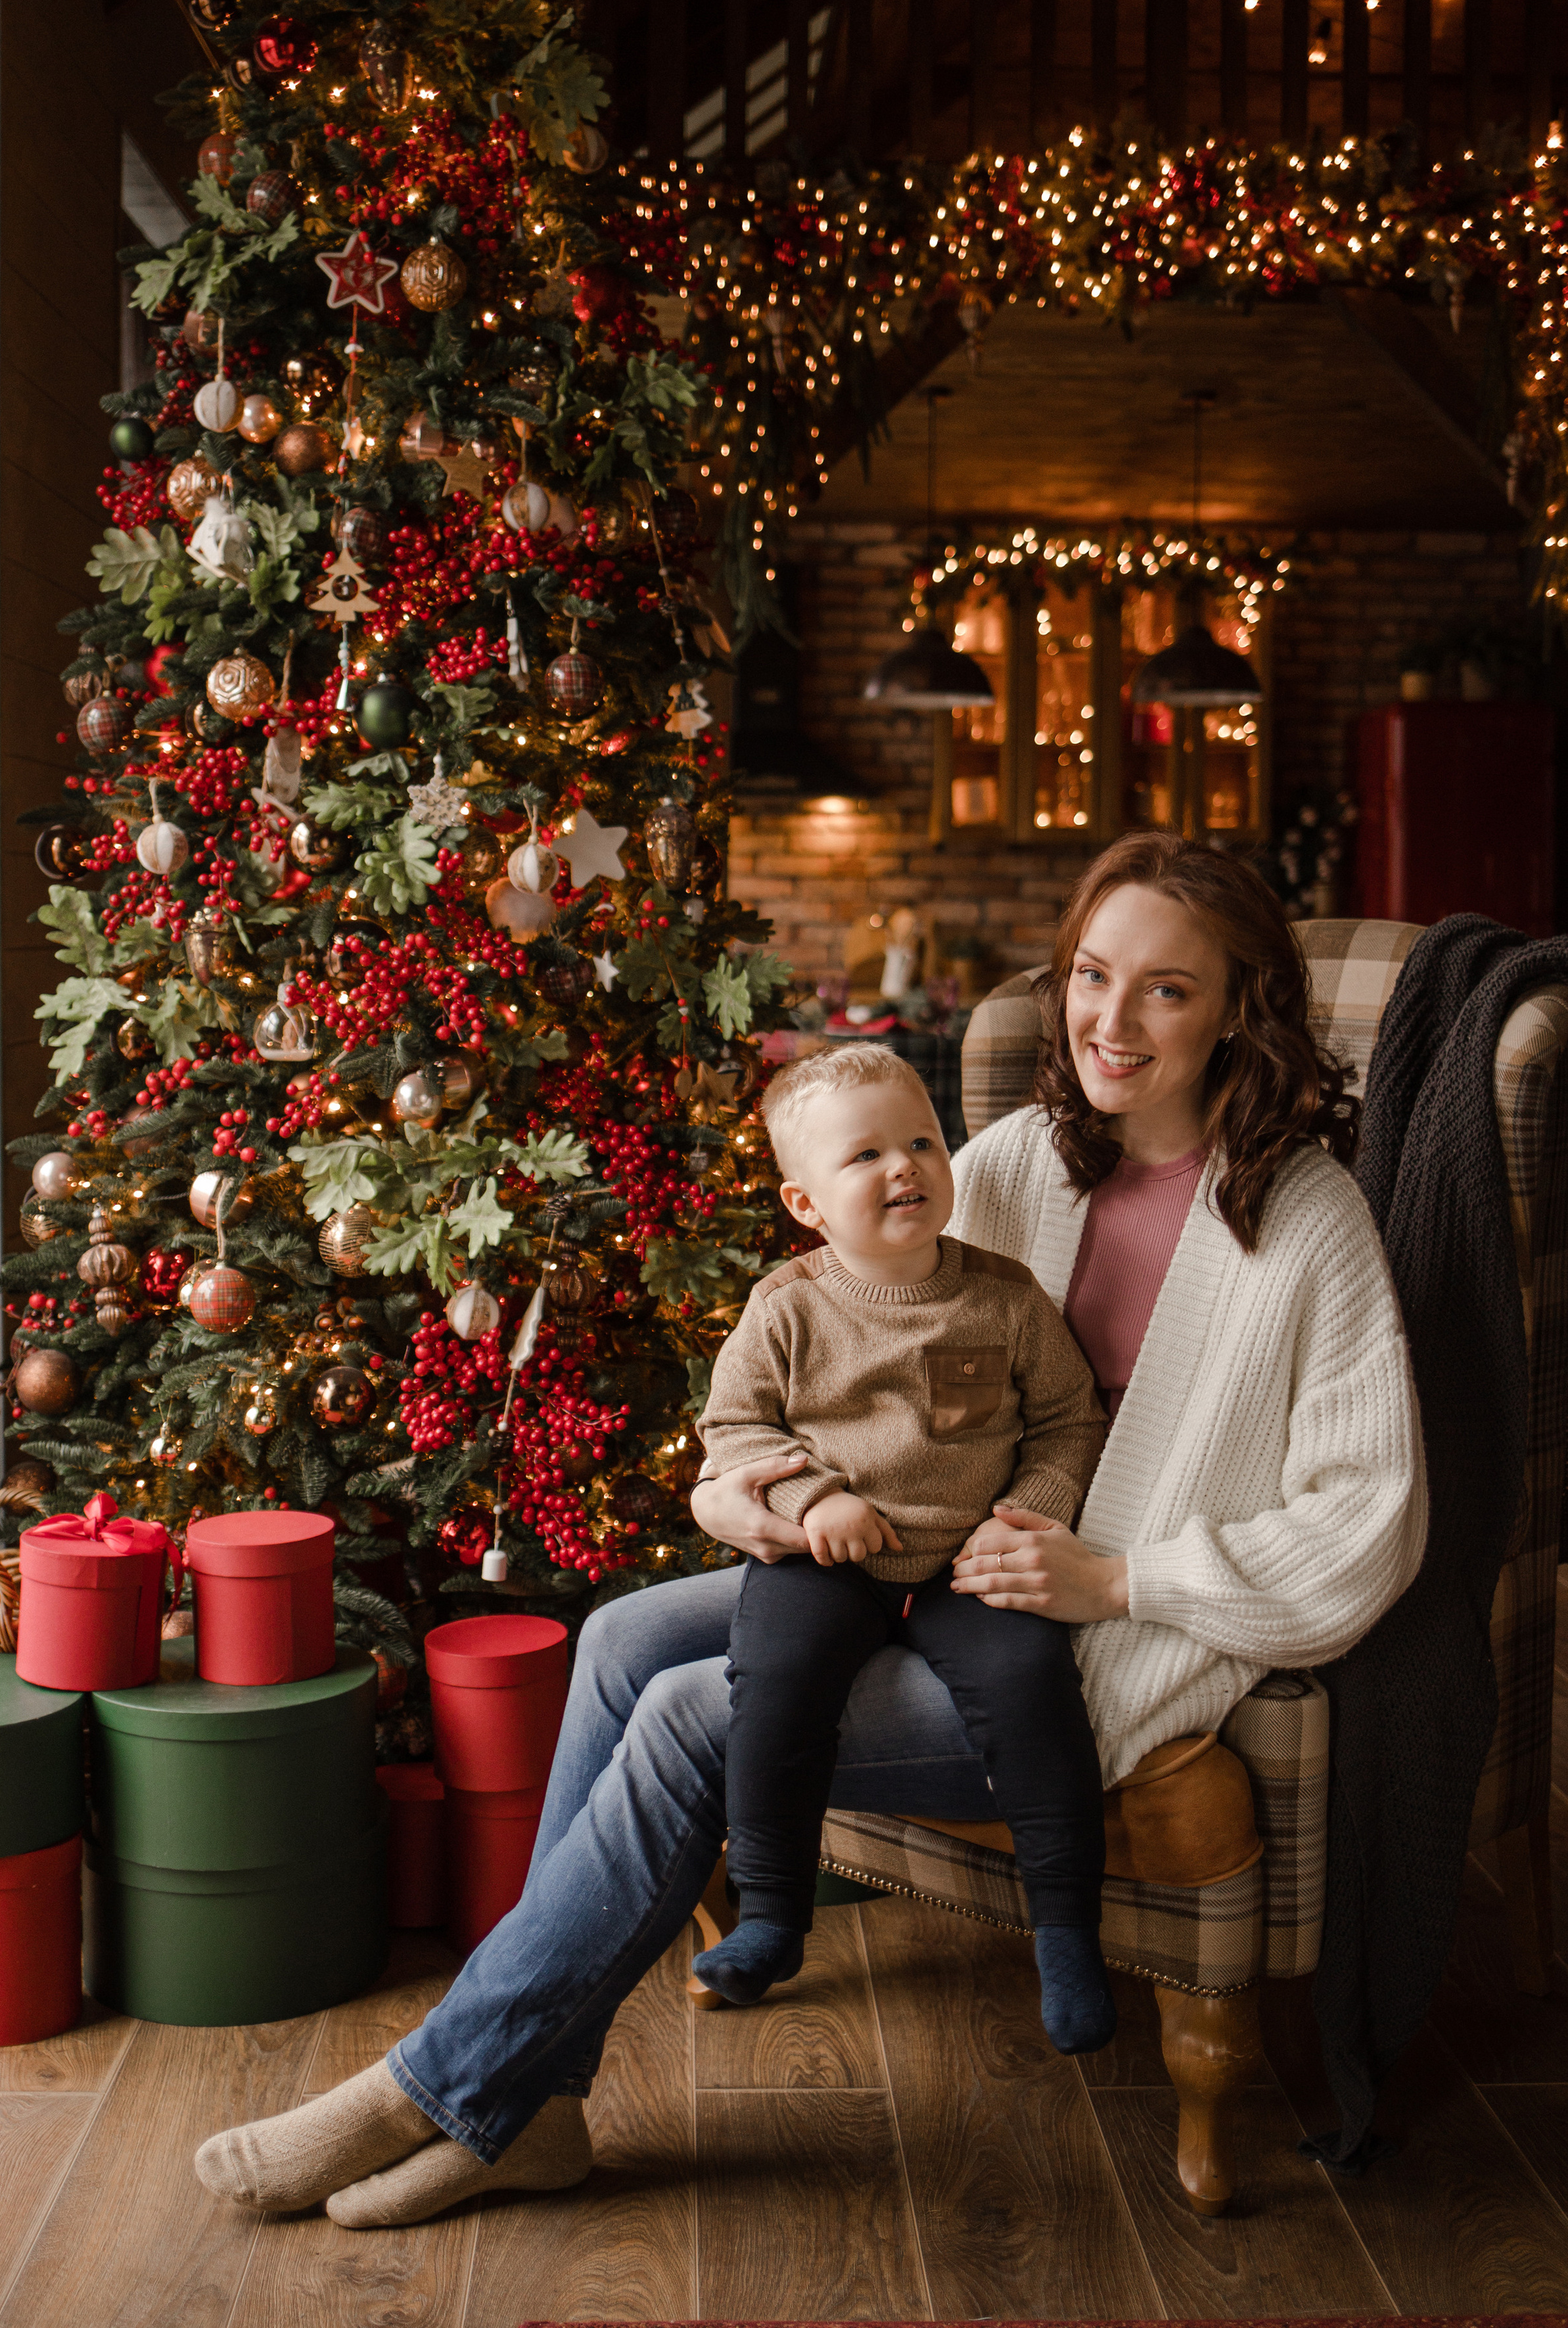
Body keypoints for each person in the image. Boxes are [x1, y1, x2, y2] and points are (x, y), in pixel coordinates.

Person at [194, 830, 1427, 2231]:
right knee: (619, 1641)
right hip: (905, 1566)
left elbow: (1367, 1521)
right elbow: (860, 1335)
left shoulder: (1306, 1219)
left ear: (1238, 1007)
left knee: (687, 1716)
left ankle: (436, 2088)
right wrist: (757, 1496)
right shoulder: (1017, 1160)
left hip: (1092, 1649)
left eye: (1165, 990)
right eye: (1091, 975)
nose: (1108, 1020)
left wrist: (1117, 1575)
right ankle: (531, 2108)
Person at [693, 1043, 1112, 2047]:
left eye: (922, 1141)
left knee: (1034, 1690)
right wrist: (810, 1497)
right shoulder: (785, 1306)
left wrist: (1029, 1513)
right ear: (806, 1204)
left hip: (973, 1559)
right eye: (865, 1155)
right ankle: (774, 1916)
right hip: (830, 1561)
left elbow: (1068, 1420)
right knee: (777, 1684)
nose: (904, 1167)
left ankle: (1066, 1934)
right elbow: (736, 1432)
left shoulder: (1004, 1298)